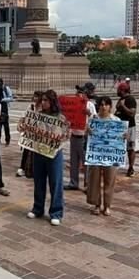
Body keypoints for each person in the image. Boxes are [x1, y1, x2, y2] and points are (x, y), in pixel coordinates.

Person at [27, 90, 67, 226]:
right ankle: (38, 208)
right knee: (39, 181)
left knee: (55, 182)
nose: (43, 103)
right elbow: (29, 131)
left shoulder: (60, 117)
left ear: (52, 102)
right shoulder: (37, 116)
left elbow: (65, 134)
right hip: (39, 152)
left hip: (54, 154)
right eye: (42, 100)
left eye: (46, 100)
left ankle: (56, 212)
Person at [86, 96, 119, 216]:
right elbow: (87, 134)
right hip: (96, 154)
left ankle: (107, 205)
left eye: (106, 104)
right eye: (101, 104)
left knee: (109, 180)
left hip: (110, 155)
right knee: (94, 179)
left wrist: (123, 136)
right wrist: (88, 131)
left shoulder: (116, 120)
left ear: (110, 106)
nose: (103, 107)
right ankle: (96, 204)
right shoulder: (93, 119)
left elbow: (120, 136)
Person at [65, 83, 97, 191]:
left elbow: (95, 120)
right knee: (74, 161)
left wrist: (89, 114)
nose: (78, 95)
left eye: (80, 93)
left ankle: (88, 183)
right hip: (74, 135)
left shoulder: (90, 105)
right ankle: (73, 182)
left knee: (86, 161)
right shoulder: (73, 105)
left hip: (84, 136)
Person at [16, 91, 43, 178]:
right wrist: (19, 124)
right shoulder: (31, 107)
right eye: (34, 96)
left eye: (36, 96)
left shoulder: (43, 109)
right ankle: (22, 168)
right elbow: (23, 117)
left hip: (39, 134)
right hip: (30, 133)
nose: (34, 98)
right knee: (26, 149)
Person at [115, 82, 138, 177]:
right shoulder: (122, 99)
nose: (117, 91)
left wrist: (123, 106)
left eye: (119, 90)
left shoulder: (131, 99)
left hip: (129, 127)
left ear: (123, 90)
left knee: (130, 148)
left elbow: (132, 113)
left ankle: (131, 167)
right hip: (120, 127)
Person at [0, 78, 13, 145]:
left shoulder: (6, 88)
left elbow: (11, 98)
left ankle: (7, 139)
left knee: (6, 126)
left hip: (4, 108)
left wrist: (2, 99)